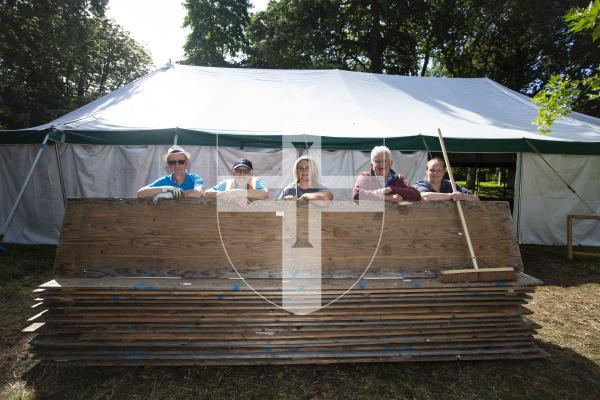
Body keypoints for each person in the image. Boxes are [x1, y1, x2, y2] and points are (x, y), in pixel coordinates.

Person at [137, 145, 204, 202]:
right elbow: (140, 193)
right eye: (172, 162)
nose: (177, 166)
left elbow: (198, 193)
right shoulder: (164, 180)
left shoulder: (195, 179)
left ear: (186, 163)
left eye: (180, 162)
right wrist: (166, 188)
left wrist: (170, 195)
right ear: (168, 165)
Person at [352, 146, 421, 202]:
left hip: (393, 217)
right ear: (371, 165)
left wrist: (392, 189)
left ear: (390, 164)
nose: (381, 164)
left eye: (385, 161)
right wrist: (386, 197)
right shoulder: (365, 176)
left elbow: (416, 195)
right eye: (377, 161)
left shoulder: (398, 178)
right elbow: (357, 194)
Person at [204, 158, 269, 207]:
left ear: (251, 173)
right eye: (238, 171)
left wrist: (236, 192)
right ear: (233, 173)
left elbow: (265, 195)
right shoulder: (227, 183)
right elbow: (206, 193)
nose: (242, 174)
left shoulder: (255, 181)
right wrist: (233, 197)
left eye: (246, 171)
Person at [414, 158, 479, 201]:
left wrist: (463, 196)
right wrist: (451, 196)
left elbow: (476, 199)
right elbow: (425, 197)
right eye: (432, 170)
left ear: (443, 172)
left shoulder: (451, 185)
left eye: (439, 170)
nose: (435, 173)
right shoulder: (421, 184)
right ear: (426, 172)